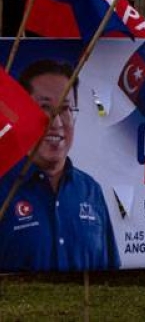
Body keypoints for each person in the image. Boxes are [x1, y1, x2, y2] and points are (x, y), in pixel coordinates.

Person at [0, 59, 120, 271]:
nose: (56, 123)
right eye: (44, 107)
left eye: (65, 109)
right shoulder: (4, 189)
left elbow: (111, 276)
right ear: (22, 115)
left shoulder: (90, 190)